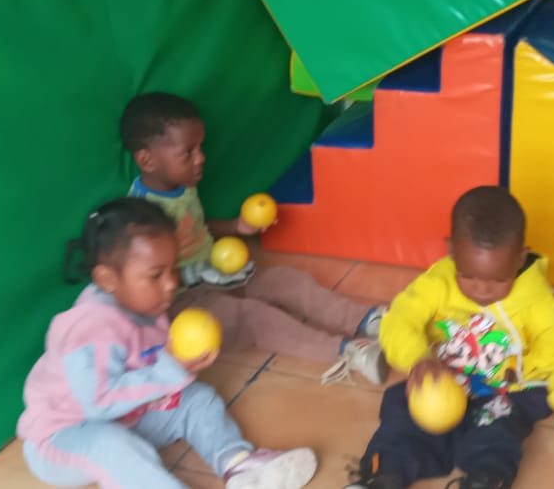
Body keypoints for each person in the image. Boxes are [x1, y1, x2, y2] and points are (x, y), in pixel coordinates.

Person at [16, 197, 316, 489]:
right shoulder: (90, 328)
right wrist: (170, 368)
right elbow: (98, 402)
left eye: (172, 269)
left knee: (197, 399)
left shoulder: (146, 304)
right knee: (113, 447)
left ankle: (239, 465)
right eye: (155, 275)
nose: (171, 283)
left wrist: (180, 364)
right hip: (63, 435)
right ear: (107, 279)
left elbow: (149, 366)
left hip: (128, 417)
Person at [120, 91, 387, 385]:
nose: (201, 158)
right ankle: (348, 351)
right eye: (188, 152)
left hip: (218, 273)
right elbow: (150, 281)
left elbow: (195, 227)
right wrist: (198, 274)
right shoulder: (141, 217)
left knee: (288, 281)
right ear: (147, 160)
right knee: (255, 317)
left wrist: (237, 226)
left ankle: (367, 318)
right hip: (182, 301)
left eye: (200, 148)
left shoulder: (180, 186)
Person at [347, 186, 554, 489]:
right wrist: (418, 358)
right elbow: (399, 319)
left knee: (497, 432)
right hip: (445, 377)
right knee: (400, 415)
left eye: (499, 280)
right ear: (452, 251)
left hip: (506, 390)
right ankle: (381, 477)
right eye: (468, 276)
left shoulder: (539, 304)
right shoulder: (437, 283)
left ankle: (484, 481)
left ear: (520, 258)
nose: (482, 290)